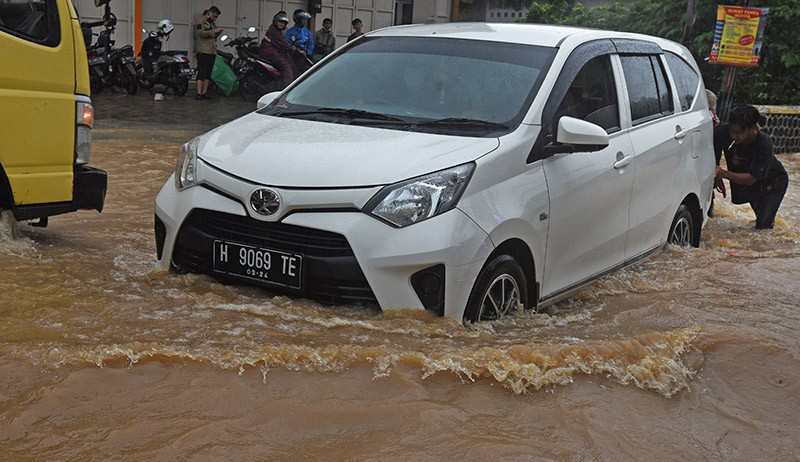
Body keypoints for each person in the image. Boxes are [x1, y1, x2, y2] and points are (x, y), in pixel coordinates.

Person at [715, 104, 789, 229]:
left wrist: (724, 174)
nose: (733, 136)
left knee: (763, 225)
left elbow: (750, 179)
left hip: (772, 182)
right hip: (751, 183)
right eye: (731, 131)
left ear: (753, 128)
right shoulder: (722, 132)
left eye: (738, 132)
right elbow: (713, 153)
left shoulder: (764, 144)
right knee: (759, 217)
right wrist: (717, 177)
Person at [260, 11, 305, 90]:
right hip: (271, 53)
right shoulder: (274, 31)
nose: (281, 24)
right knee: (286, 68)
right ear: (275, 21)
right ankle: (286, 90)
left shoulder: (278, 31)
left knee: (291, 64)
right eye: (280, 22)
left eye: (283, 23)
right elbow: (282, 45)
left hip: (275, 52)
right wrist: (296, 50)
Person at [194, 6, 222, 100]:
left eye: (216, 17)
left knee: (208, 73)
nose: (215, 18)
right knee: (202, 71)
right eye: (214, 16)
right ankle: (198, 93)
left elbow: (213, 36)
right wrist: (213, 31)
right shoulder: (200, 21)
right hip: (203, 50)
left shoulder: (213, 24)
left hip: (211, 51)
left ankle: (204, 92)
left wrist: (218, 32)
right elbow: (201, 33)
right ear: (209, 13)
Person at [285, 9, 314, 75]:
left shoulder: (307, 32)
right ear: (298, 19)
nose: (305, 22)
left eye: (306, 20)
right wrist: (296, 52)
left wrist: (308, 53)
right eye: (303, 19)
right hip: (294, 58)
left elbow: (311, 44)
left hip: (305, 58)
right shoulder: (291, 32)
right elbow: (288, 44)